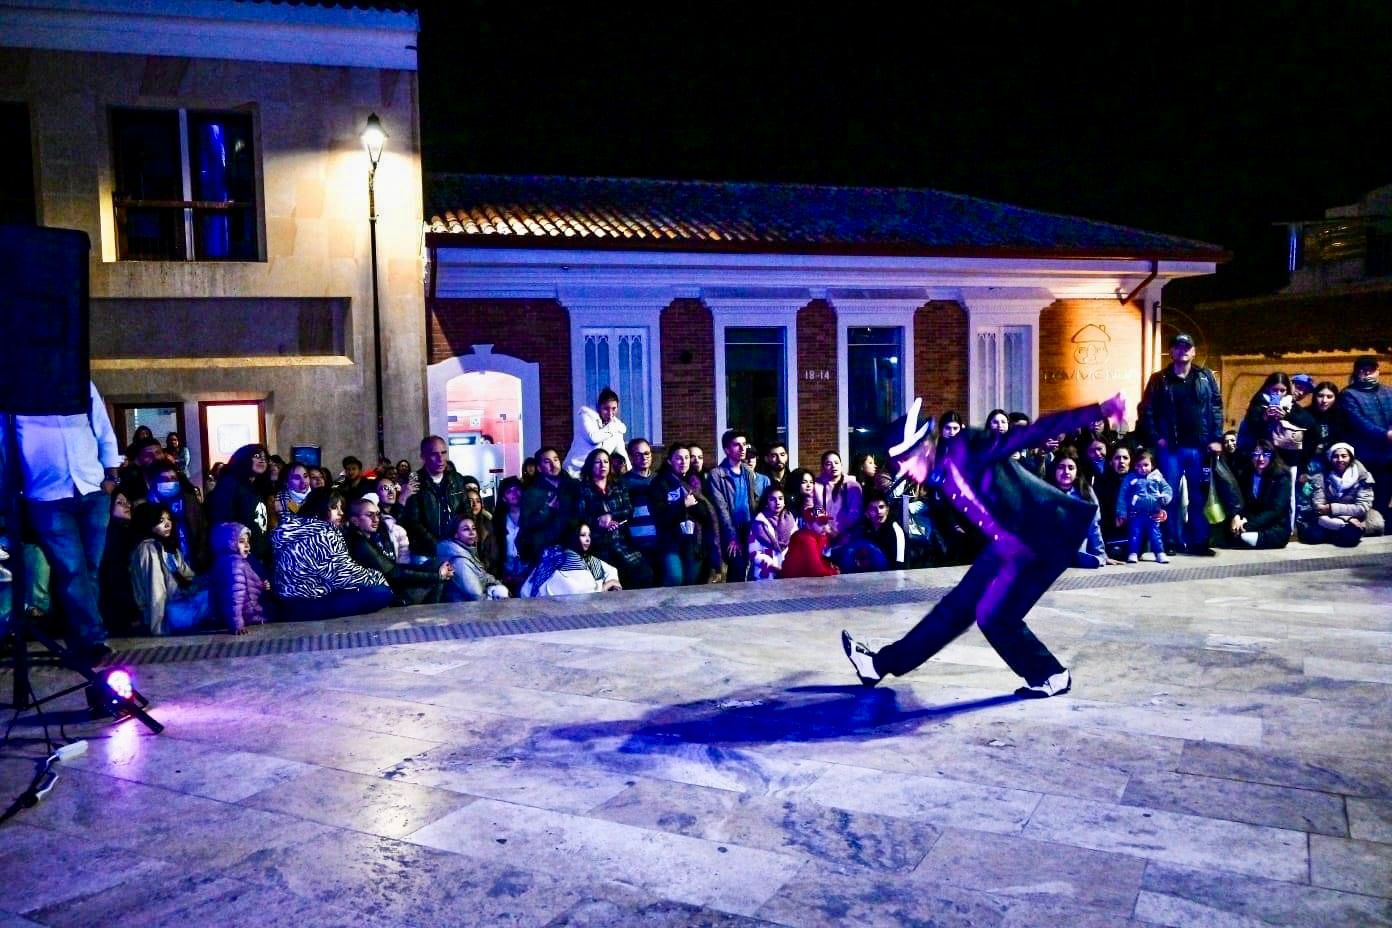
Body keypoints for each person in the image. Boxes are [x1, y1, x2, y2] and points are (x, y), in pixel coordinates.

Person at [843, 392, 1129, 699]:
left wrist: (1097, 411)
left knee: (994, 616)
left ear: (925, 445)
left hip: (1043, 537)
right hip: (1008, 545)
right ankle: (878, 665)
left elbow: (1031, 433)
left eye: (906, 461)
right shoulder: (938, 475)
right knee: (954, 609)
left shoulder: (970, 446)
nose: (906, 471)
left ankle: (1050, 675)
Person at [4, 380, 121, 662]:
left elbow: (102, 425)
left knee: (89, 569)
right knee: (72, 571)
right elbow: (6, 443)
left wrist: (111, 477)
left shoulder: (78, 381)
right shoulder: (14, 389)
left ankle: (81, 642)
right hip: (47, 495)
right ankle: (93, 640)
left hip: (92, 488)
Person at [1140, 333, 1223, 555]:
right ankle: (1170, 541)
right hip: (1171, 448)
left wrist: (1216, 438)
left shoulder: (1205, 377)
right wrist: (1156, 437)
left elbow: (1216, 406)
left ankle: (1199, 541)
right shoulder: (1160, 379)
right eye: (1178, 346)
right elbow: (1146, 410)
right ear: (1171, 352)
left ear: (1194, 351)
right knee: (1170, 496)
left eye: (1187, 347)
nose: (1183, 350)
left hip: (1199, 446)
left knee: (1199, 496)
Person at [270, 488, 393, 620]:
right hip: (308, 604)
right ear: (321, 508)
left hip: (287, 604)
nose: (340, 513)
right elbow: (343, 574)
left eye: (341, 507)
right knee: (382, 592)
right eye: (334, 508)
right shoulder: (323, 533)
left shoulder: (290, 529)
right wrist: (377, 577)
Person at [344, 497, 450, 605]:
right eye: (369, 515)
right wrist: (436, 576)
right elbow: (394, 574)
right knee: (438, 573)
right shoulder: (359, 543)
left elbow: (395, 567)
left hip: (392, 586)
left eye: (377, 514)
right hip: (389, 594)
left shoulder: (368, 538)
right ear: (355, 521)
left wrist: (433, 573)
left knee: (437, 566)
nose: (376, 519)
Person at [575, 448, 653, 589]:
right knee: (605, 579)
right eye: (598, 462)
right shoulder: (582, 489)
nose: (603, 465)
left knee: (643, 573)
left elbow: (628, 510)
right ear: (590, 465)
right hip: (596, 543)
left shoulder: (618, 486)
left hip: (620, 540)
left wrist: (612, 516)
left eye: (606, 461)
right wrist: (598, 521)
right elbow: (580, 515)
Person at [128, 503, 211, 635]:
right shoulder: (148, 549)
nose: (168, 524)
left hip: (179, 604)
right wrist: (159, 627)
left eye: (169, 519)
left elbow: (189, 577)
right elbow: (155, 589)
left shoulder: (169, 547)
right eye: (161, 521)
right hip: (166, 613)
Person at [706, 429, 771, 582]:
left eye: (744, 444)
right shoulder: (717, 474)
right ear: (727, 449)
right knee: (737, 569)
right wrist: (732, 537)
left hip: (749, 528)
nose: (742, 449)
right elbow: (721, 509)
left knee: (752, 570)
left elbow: (753, 502)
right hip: (730, 529)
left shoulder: (748, 471)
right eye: (737, 445)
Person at [1335, 355, 1392, 518]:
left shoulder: (1389, 392)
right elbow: (1358, 422)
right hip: (1365, 458)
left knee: (1384, 496)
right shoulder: (1348, 395)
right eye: (1362, 370)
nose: (1367, 373)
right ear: (1356, 373)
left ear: (1378, 371)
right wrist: (1385, 435)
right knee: (1365, 499)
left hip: (1388, 457)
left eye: (1371, 369)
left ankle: (1379, 529)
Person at [651, 443, 712, 586]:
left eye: (686, 457)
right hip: (670, 541)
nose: (684, 461)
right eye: (679, 458)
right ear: (669, 461)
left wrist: (693, 505)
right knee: (674, 578)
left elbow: (707, 513)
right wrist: (682, 505)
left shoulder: (697, 481)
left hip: (694, 541)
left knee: (691, 582)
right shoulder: (660, 483)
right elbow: (660, 516)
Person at [1300, 442, 1384, 546]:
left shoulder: (1363, 476)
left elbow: (1362, 507)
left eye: (1344, 456)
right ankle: (1337, 530)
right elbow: (1319, 506)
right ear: (1331, 458)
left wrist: (1332, 508)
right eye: (1336, 456)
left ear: (1350, 458)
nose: (1340, 460)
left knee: (1351, 536)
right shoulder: (1321, 476)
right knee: (1312, 537)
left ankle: (1335, 531)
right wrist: (1346, 518)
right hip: (1329, 516)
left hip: (1356, 517)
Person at [401, 435, 470, 556]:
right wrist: (439, 545)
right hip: (427, 551)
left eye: (443, 453)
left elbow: (466, 511)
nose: (440, 458)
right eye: (434, 454)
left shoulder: (456, 479)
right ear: (423, 456)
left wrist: (461, 538)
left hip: (457, 546)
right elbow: (414, 523)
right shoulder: (414, 481)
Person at [205, 444, 272, 562]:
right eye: (256, 456)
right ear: (243, 458)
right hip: (239, 557)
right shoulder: (230, 484)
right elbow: (224, 521)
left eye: (265, 457)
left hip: (258, 557)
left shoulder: (257, 487)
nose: (262, 460)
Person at [1221, 440, 1293, 549]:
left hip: (1274, 526)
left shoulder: (1281, 477)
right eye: (1256, 454)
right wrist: (1236, 517)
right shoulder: (1246, 474)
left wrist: (1247, 524)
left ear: (1272, 455)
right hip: (1252, 521)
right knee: (1229, 532)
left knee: (1241, 537)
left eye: (1266, 455)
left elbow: (1275, 510)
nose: (1261, 459)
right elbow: (1241, 501)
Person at [520, 522, 622, 597]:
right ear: (574, 537)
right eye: (583, 535)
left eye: (589, 535)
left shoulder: (586, 558)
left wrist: (612, 584)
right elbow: (578, 592)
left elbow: (611, 571)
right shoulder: (562, 556)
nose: (588, 539)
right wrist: (606, 586)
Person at [1048, 451, 1110, 568]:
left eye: (1071, 468)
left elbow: (1094, 526)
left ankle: (1078, 557)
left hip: (1077, 540)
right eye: (1061, 467)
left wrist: (1101, 554)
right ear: (1054, 470)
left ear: (1076, 472)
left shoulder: (1086, 493)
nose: (1066, 472)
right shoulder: (1046, 490)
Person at [144, 458, 208, 570]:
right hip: (164, 568)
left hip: (194, 565)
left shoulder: (189, 501)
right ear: (152, 482)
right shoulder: (147, 507)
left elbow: (202, 529)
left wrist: (201, 557)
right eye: (165, 479)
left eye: (173, 478)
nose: (170, 483)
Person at [519, 446, 578, 564]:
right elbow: (526, 523)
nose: (553, 464)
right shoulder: (531, 492)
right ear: (539, 468)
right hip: (545, 549)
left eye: (556, 459)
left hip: (573, 545)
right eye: (547, 461)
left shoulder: (573, 486)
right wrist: (546, 510)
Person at [211, 522, 271, 634]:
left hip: (243, 613)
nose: (247, 545)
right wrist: (237, 624)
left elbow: (246, 585)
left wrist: (261, 585)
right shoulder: (235, 565)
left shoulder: (233, 561)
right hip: (248, 615)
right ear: (230, 544)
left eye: (247, 541)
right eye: (241, 542)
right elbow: (235, 597)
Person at [1117, 450, 1173, 564]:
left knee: (1155, 535)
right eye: (1138, 465)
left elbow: (1168, 489)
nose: (1142, 468)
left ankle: (1159, 553)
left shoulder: (1158, 477)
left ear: (1152, 465)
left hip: (1153, 513)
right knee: (1134, 534)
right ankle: (1133, 553)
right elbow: (1122, 495)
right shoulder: (1131, 478)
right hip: (1136, 514)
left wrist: (1165, 498)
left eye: (1146, 465)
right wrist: (1121, 512)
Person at [438, 515, 510, 602]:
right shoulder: (459, 561)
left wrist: (498, 584)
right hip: (465, 611)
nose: (472, 532)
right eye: (466, 529)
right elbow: (477, 596)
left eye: (474, 528)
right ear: (456, 535)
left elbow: (482, 576)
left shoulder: (466, 551)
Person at [564, 387, 627, 478]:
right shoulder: (586, 416)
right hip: (574, 473)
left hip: (596, 475)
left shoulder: (616, 427)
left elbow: (622, 452)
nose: (610, 413)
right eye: (606, 408)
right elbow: (593, 438)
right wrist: (613, 426)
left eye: (614, 409)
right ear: (598, 407)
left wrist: (630, 473)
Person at [622, 437, 661, 571]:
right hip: (635, 544)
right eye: (638, 454)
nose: (644, 457)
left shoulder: (659, 480)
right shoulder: (623, 482)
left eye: (647, 453)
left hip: (659, 542)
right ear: (631, 457)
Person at [810, 451, 861, 544]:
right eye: (828, 464)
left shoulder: (853, 486)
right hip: (824, 534)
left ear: (841, 465)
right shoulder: (816, 486)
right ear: (823, 467)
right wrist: (828, 529)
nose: (833, 466)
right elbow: (816, 508)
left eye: (836, 463)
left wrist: (839, 532)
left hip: (849, 536)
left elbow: (855, 512)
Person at [748, 484, 796, 580]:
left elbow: (797, 545)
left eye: (780, 498)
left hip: (787, 571)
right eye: (772, 499)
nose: (777, 502)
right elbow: (753, 552)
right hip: (765, 574)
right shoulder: (758, 523)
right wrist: (772, 566)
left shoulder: (790, 519)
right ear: (766, 502)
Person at [779, 509, 840, 579]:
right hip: (791, 583)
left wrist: (829, 567)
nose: (825, 527)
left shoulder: (819, 536)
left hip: (801, 580)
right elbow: (816, 571)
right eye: (820, 523)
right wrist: (833, 572)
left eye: (825, 522)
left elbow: (816, 562)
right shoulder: (806, 539)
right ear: (808, 524)